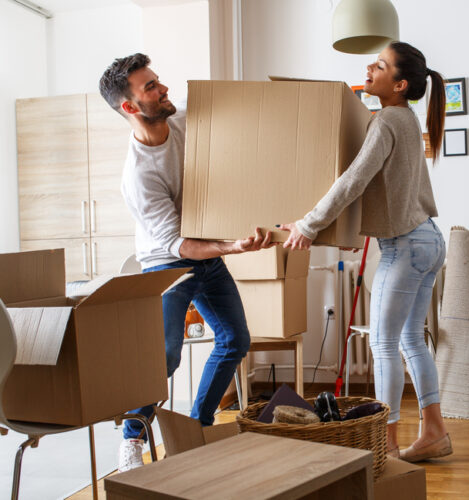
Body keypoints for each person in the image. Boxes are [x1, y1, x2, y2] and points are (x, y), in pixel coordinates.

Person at [99, 53, 273, 472]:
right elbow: (179, 244)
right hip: (167, 265)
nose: (163, 90)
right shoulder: (138, 176)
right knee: (165, 356)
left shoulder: (181, 121)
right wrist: (231, 247)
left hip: (207, 257)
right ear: (130, 107)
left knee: (235, 340)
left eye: (158, 81)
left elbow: (231, 116)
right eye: (151, 88)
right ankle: (132, 438)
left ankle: (197, 428)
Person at [280, 41, 451, 462]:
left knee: (384, 345)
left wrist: (309, 224)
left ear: (400, 83)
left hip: (406, 247)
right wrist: (345, 231)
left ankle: (386, 447)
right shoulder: (405, 119)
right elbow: (383, 192)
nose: (369, 69)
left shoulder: (387, 120)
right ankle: (435, 434)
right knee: (411, 339)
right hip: (428, 240)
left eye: (380, 65)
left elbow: (353, 180)